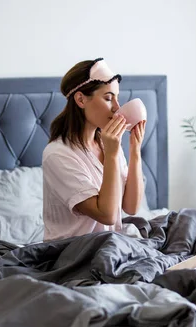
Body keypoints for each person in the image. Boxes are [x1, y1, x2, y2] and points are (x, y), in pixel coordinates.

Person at [42, 58, 145, 241]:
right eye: (108, 98)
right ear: (81, 99)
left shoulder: (107, 143)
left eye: (117, 98)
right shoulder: (57, 154)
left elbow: (131, 207)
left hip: (109, 247)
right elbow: (107, 215)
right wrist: (112, 155)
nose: (116, 108)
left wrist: (135, 150)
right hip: (74, 255)